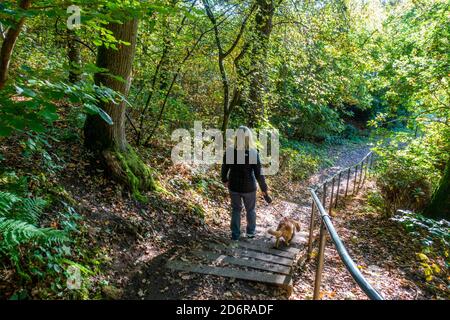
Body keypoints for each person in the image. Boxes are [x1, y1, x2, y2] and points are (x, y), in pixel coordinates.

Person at [221, 126, 269, 241]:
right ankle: (250, 233)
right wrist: (264, 189)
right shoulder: (253, 153)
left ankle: (235, 235)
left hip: (234, 186)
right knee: (251, 210)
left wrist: (224, 180)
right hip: (249, 187)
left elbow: (224, 168)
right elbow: (259, 174)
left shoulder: (230, 152)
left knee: (236, 209)